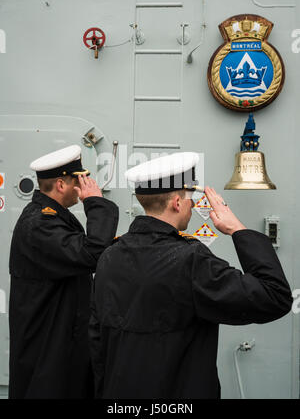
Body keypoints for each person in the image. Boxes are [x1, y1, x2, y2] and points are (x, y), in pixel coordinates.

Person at [89, 152, 292, 399]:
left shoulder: (109, 256)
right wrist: (237, 229)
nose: (194, 205)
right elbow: (275, 296)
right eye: (190, 198)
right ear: (176, 202)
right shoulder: (190, 260)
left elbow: (96, 342)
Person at [9, 144, 119, 399]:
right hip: (47, 351)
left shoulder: (53, 217)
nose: (83, 187)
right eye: (78, 180)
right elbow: (91, 253)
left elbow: (82, 252)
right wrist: (96, 203)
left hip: (61, 342)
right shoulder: (39, 224)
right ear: (61, 185)